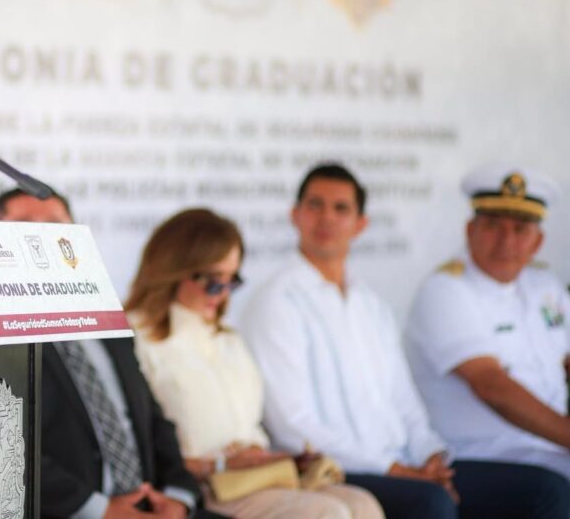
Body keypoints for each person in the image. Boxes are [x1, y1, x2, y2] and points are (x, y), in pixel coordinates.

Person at [241, 163, 570, 519]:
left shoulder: (369, 304)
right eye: (315, 206)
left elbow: (404, 399)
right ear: (295, 215)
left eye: (341, 209)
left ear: (360, 224)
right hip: (340, 468)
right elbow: (293, 426)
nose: (327, 219)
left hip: (403, 462)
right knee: (431, 503)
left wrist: (431, 455)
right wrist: (393, 469)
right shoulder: (277, 301)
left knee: (544, 490)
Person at [124, 207, 384, 519]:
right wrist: (220, 464)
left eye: (231, 281)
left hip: (261, 478)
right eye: (213, 282)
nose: (221, 294)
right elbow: (141, 449)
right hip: (204, 485)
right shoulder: (136, 339)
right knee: (325, 513)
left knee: (363, 505)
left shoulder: (228, 339)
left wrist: (267, 457)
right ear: (173, 271)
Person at [0, 189, 219, 519]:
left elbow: (152, 420)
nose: (41, 237)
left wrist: (177, 497)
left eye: (56, 225)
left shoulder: (106, 317)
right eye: (25, 225)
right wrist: (100, 510)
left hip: (154, 505)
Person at [405, 165, 570, 481]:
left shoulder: (543, 285)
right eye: (493, 226)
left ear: (538, 242)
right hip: (480, 455)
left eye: (520, 230)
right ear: (470, 231)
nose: (506, 241)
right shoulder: (445, 290)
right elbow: (491, 386)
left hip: (547, 448)